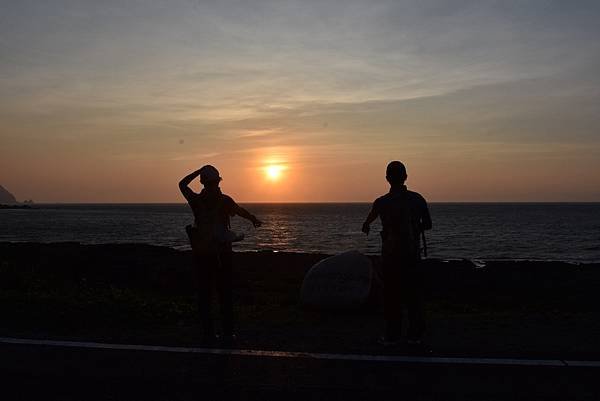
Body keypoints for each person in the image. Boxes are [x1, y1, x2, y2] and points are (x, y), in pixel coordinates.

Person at [179, 165, 262, 344]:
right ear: (218, 181)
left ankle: (208, 332)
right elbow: (240, 211)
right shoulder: (225, 201)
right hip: (222, 253)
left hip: (202, 253)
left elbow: (182, 184)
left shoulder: (195, 200)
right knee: (224, 292)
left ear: (202, 182)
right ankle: (228, 332)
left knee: (205, 293)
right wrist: (253, 219)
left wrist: (198, 171)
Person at [362, 161, 432, 346]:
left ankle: (393, 335)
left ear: (387, 179)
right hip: (412, 255)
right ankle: (414, 336)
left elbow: (368, 221)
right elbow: (428, 224)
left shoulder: (381, 202)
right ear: (406, 177)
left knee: (392, 297)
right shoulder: (418, 199)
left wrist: (369, 226)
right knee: (413, 297)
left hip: (391, 257)